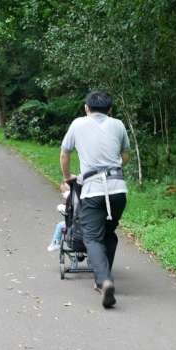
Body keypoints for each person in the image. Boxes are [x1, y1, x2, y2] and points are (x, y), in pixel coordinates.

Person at [59, 91, 130, 309]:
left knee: (92, 237)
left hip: (92, 190)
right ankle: (105, 275)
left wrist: (67, 177)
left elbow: (64, 153)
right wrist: (114, 167)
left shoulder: (78, 124)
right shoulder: (118, 124)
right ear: (110, 109)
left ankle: (104, 281)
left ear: (86, 108)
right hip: (118, 189)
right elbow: (126, 154)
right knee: (109, 234)